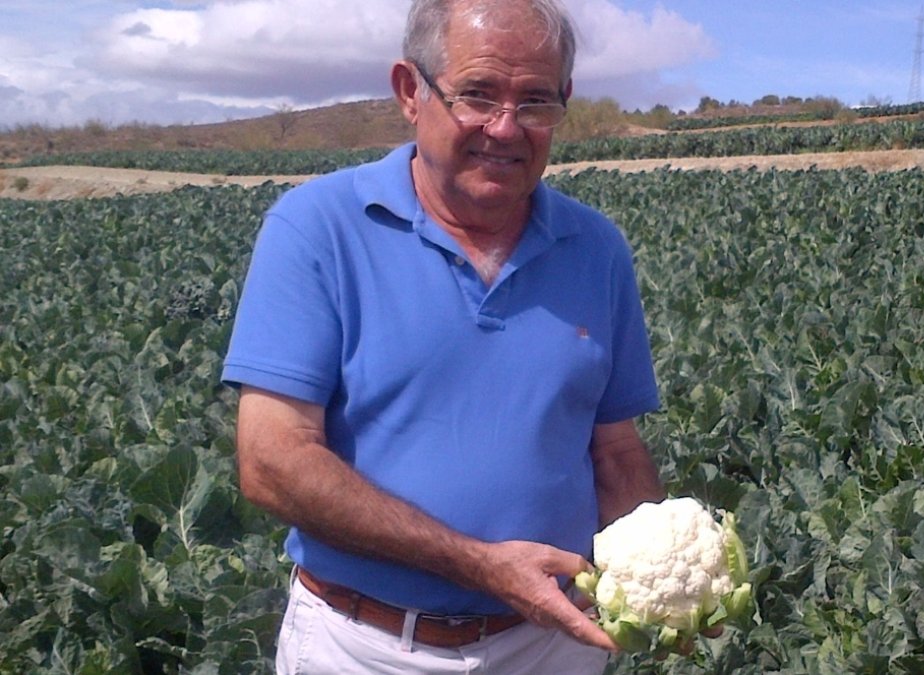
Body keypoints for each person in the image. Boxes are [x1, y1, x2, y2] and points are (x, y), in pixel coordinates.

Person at [221, 0, 666, 672]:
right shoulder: (318, 228)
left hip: (551, 646)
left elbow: (617, 454)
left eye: (536, 102)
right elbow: (272, 460)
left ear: (564, 103)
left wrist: (660, 579)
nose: (506, 127)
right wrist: (482, 565)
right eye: (478, 95)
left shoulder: (597, 248)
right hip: (364, 646)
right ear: (410, 90)